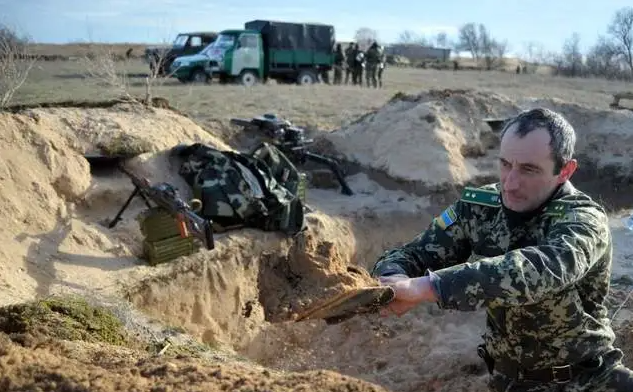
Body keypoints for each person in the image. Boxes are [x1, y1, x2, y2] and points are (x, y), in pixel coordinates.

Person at [371, 108, 633, 392]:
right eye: (505, 164)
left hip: (588, 382)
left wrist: (429, 287)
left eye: (529, 169)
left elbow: (539, 270)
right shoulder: (482, 206)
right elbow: (414, 254)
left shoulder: (583, 220)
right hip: (511, 383)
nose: (510, 183)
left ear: (565, 170)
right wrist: (393, 278)